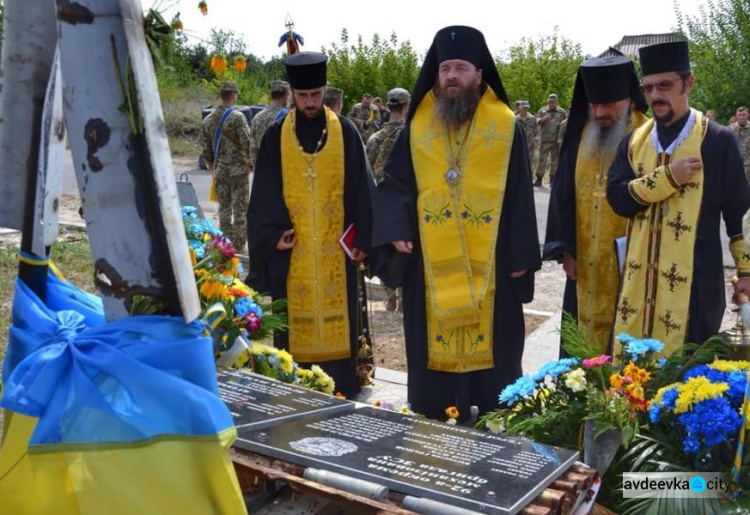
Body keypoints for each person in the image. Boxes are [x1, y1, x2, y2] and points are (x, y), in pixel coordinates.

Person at [371, 26, 541, 421]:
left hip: (492, 265)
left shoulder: (505, 124)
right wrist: (397, 228)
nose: (451, 76)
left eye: (461, 68)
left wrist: (520, 255)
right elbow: (396, 182)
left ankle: (491, 406)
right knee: (433, 389)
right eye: (445, 68)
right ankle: (435, 407)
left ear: (479, 75)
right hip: (431, 264)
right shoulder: (417, 125)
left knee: (495, 359)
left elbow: (519, 194)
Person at [607, 41, 750, 356]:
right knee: (633, 376)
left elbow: (739, 214)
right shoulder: (634, 142)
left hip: (697, 284)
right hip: (638, 281)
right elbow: (617, 197)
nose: (656, 95)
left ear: (688, 83)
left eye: (665, 85)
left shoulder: (717, 140)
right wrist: (668, 178)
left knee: (687, 384)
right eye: (649, 88)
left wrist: (746, 273)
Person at [246, 52, 375, 397]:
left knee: (343, 323)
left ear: (324, 91)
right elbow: (263, 194)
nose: (310, 103)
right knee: (295, 336)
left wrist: (363, 235)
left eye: (316, 95)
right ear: (292, 94)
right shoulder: (276, 135)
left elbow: (363, 188)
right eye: (303, 96)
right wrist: (272, 236)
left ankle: (344, 382)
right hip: (296, 252)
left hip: (337, 252)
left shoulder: (345, 131)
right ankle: (296, 379)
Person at [544, 55, 649, 354]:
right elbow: (562, 194)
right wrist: (566, 248)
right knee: (580, 341)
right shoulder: (580, 133)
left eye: (608, 105)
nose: (600, 112)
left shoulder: (647, 135)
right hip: (584, 261)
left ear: (629, 99)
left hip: (631, 261)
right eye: (594, 104)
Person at [366, 87, 410, 313]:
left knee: (385, 248)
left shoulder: (375, 138)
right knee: (407, 247)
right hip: (406, 201)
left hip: (381, 201)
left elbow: (366, 172)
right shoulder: (412, 136)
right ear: (406, 107)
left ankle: (390, 297)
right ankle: (405, 299)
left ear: (389, 106)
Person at [201, 80, 252, 251]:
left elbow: (206, 149)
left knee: (224, 208)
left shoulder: (208, 120)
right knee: (240, 210)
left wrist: (212, 166)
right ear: (234, 95)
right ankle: (239, 245)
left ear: (221, 95)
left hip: (220, 172)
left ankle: (227, 244)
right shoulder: (238, 117)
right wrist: (250, 162)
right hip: (239, 172)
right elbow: (247, 142)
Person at [249, 80, 291, 166]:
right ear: (285, 96)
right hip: (283, 170)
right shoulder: (289, 117)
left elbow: (253, 150)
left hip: (264, 170)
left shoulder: (257, 118)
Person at [535, 93, 567, 186]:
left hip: (557, 141)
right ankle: (539, 179)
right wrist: (542, 120)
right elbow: (536, 121)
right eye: (550, 101)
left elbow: (565, 124)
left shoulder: (562, 112)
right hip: (545, 139)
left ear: (557, 102)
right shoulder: (543, 110)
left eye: (553, 102)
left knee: (555, 161)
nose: (551, 103)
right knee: (542, 160)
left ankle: (552, 180)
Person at [516, 100, 538, 168]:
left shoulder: (532, 118)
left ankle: (528, 177)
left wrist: (536, 142)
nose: (525, 110)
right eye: (523, 108)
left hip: (530, 145)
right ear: (520, 108)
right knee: (518, 162)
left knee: (529, 163)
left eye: (526, 108)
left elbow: (536, 131)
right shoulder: (516, 119)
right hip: (519, 144)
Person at [731, 106, 750, 179]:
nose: (741, 117)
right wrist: (734, 132)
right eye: (739, 115)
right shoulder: (729, 130)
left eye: (744, 115)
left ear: (748, 115)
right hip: (733, 166)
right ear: (736, 116)